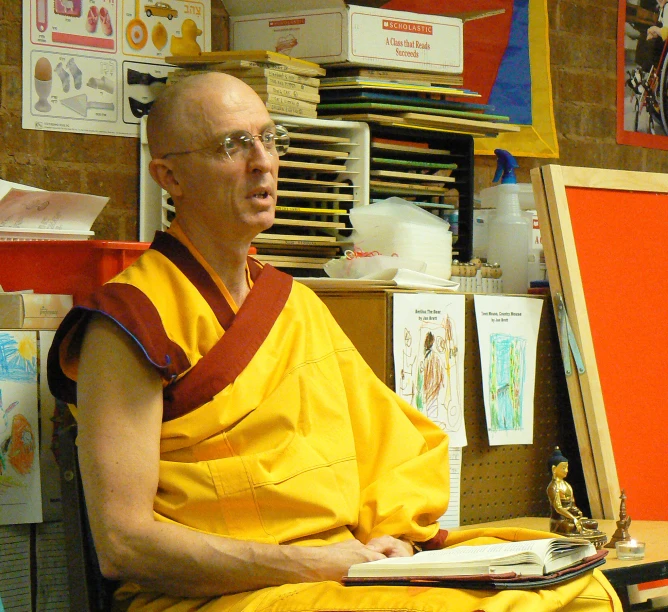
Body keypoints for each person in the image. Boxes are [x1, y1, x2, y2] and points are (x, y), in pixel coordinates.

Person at [47, 72, 621, 612]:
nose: (263, 163)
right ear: (168, 176)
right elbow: (124, 544)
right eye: (233, 145)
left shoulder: (294, 304)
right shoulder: (128, 321)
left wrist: (389, 539)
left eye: (271, 139)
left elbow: (385, 450)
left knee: (581, 588)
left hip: (344, 568)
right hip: (228, 593)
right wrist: (317, 563)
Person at [547, 447, 607, 548]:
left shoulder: (567, 485)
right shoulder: (553, 487)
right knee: (570, 527)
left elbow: (572, 505)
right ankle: (582, 537)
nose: (566, 470)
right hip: (560, 521)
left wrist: (577, 512)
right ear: (554, 469)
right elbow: (558, 508)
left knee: (593, 524)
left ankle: (586, 535)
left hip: (571, 517)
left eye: (567, 467)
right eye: (563, 468)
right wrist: (573, 518)